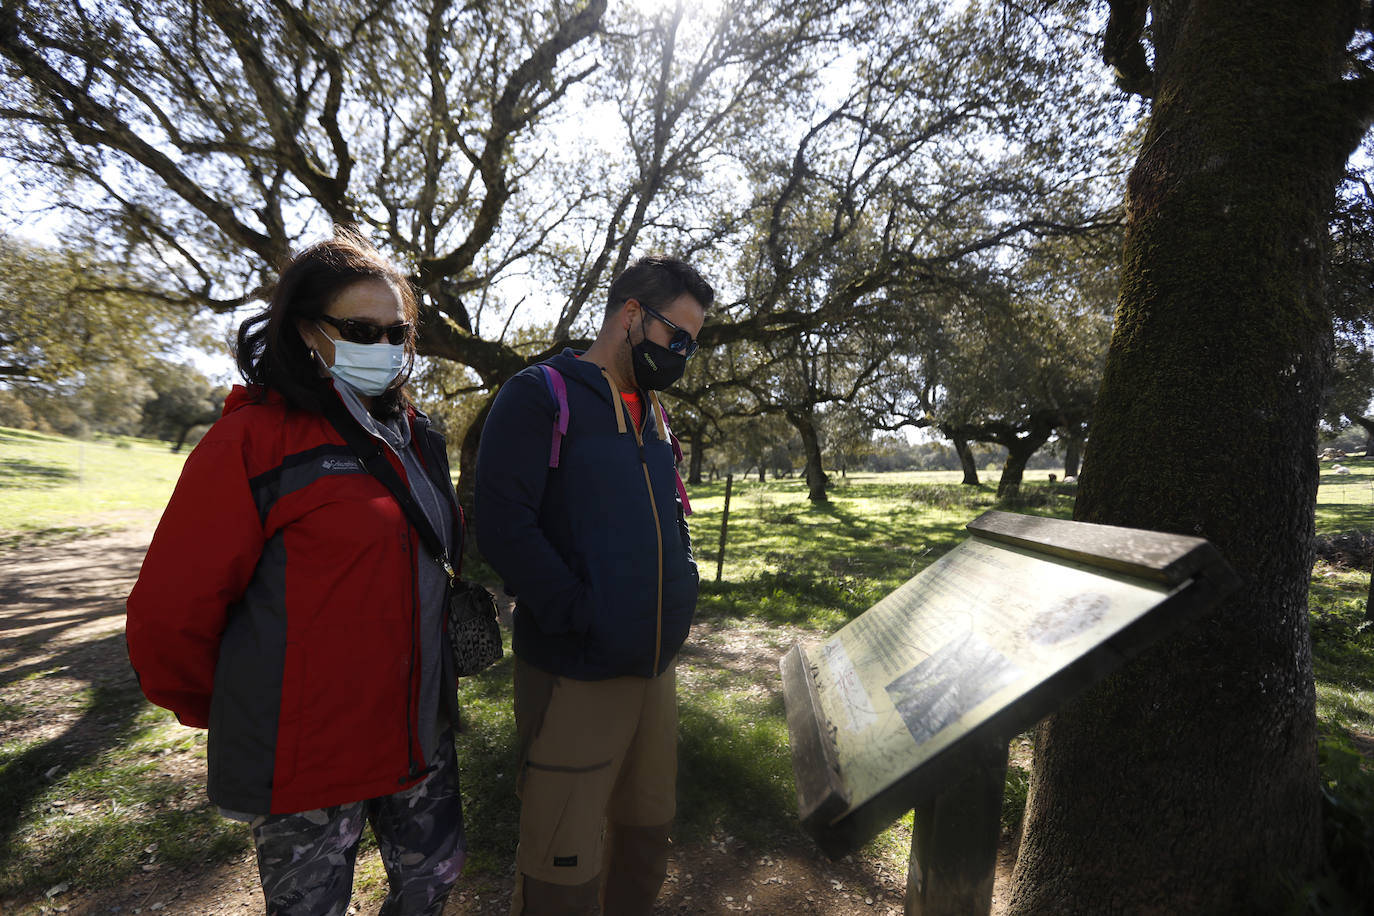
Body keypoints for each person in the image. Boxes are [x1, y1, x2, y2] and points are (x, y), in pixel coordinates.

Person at [125, 230, 466, 916]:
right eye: (361, 330)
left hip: (419, 739)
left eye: (398, 332)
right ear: (307, 331)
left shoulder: (419, 439)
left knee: (432, 891)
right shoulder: (250, 442)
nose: (387, 347)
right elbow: (170, 616)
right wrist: (232, 709)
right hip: (309, 763)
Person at [475, 254, 713, 916]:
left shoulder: (655, 414)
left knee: (645, 839)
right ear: (632, 315)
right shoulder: (538, 394)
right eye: (679, 337)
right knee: (563, 862)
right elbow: (502, 525)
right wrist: (583, 614)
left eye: (694, 344)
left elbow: (673, 516)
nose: (684, 355)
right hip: (574, 675)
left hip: (654, 673)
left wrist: (679, 593)